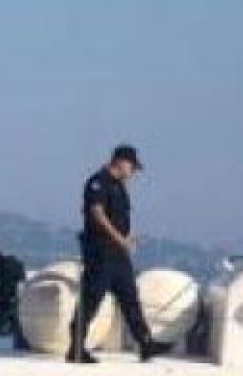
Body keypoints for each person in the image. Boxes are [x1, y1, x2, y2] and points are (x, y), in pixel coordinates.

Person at [69, 145, 170, 364]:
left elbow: (117, 218)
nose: (133, 173)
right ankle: (75, 349)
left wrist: (127, 238)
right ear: (121, 162)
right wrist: (119, 238)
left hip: (118, 253)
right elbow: (97, 214)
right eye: (132, 168)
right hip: (101, 252)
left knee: (130, 298)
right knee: (91, 299)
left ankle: (146, 343)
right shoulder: (98, 182)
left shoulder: (119, 186)